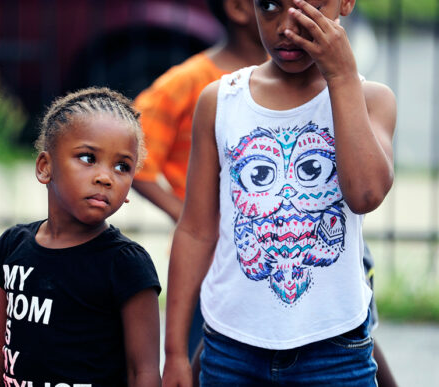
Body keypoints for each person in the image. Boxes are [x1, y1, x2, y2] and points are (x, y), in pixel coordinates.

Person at [163, 0, 396, 386]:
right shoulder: (220, 101)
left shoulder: (371, 100)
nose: (288, 26)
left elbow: (366, 194)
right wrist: (173, 353)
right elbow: (195, 231)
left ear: (346, 3)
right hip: (231, 348)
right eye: (270, 5)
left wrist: (341, 78)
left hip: (334, 349)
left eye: (311, 6)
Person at [0, 87, 162, 387]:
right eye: (88, 157)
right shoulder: (13, 246)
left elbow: (144, 371)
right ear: (45, 166)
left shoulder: (126, 264)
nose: (105, 177)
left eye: (122, 166)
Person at [131, 0, 267, 373]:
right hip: (210, 262)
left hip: (276, 261)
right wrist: (189, 214)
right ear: (239, 8)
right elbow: (133, 156)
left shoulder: (300, 80)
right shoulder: (190, 81)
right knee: (202, 355)